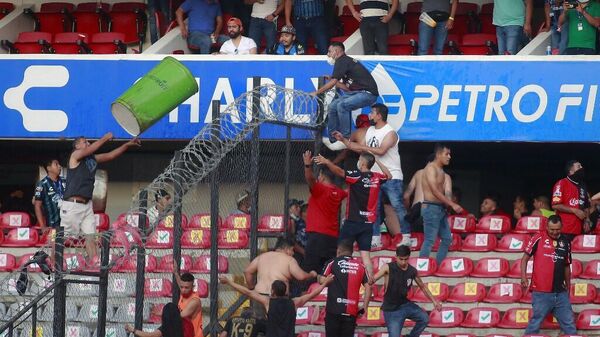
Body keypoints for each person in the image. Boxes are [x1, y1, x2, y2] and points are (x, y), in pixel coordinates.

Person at [333, 104, 409, 248]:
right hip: (375, 176)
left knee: (397, 205)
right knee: (374, 208)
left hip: (392, 175)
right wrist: (344, 140)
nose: (370, 115)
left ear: (379, 115)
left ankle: (406, 236)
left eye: (372, 112)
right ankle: (375, 237)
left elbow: (381, 151)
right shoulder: (370, 131)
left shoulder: (390, 132)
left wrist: (363, 147)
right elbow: (358, 147)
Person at [62, 133, 140, 263]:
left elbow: (111, 155)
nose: (88, 143)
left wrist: (126, 145)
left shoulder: (91, 159)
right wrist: (105, 138)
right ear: (77, 146)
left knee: (90, 237)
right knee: (63, 237)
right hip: (73, 204)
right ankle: (51, 261)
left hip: (87, 205)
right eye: (84, 142)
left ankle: (94, 264)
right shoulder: (75, 156)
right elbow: (90, 149)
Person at [314, 152, 392, 278]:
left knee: (340, 251)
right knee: (366, 256)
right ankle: (369, 285)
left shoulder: (356, 176)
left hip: (352, 221)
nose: (358, 162)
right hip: (368, 224)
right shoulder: (376, 177)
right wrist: (376, 160)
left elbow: (339, 172)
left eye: (359, 159)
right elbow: (389, 175)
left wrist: (327, 162)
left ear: (362, 163)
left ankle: (335, 280)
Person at [310, 42, 379, 151]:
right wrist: (334, 80)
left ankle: (345, 139)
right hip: (356, 92)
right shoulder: (345, 62)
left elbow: (333, 82)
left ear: (336, 52)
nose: (328, 55)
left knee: (342, 105)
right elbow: (347, 88)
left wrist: (317, 92)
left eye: (329, 51)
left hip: (368, 94)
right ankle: (333, 139)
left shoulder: (342, 60)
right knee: (333, 106)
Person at [220, 275, 334, 337]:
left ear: (273, 291)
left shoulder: (268, 302)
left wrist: (229, 282)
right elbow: (313, 294)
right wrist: (325, 283)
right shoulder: (294, 302)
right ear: (285, 292)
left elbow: (247, 292)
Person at [521, 215, 576, 334]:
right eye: (552, 229)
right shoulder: (538, 237)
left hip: (560, 292)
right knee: (535, 322)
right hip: (541, 292)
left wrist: (568, 286)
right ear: (546, 226)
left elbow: (567, 265)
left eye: (557, 229)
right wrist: (523, 278)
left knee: (569, 324)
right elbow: (524, 259)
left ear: (562, 227)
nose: (555, 232)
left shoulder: (566, 241)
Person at [370, 245, 442, 337]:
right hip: (391, 309)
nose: (403, 262)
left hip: (405, 305)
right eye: (401, 259)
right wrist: (370, 280)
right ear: (396, 257)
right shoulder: (387, 267)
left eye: (406, 259)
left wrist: (434, 301)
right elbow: (374, 279)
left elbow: (423, 286)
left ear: (409, 257)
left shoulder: (412, 271)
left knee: (425, 319)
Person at [243, 236, 318, 317]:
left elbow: (247, 271)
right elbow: (301, 276)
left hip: (259, 296)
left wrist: (251, 287)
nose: (293, 253)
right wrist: (312, 274)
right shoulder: (289, 260)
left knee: (260, 326)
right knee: (278, 326)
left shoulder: (262, 256)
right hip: (278, 299)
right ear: (286, 249)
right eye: (292, 250)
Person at [301, 150, 348, 276]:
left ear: (321, 176)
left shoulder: (320, 189)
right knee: (327, 272)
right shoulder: (339, 192)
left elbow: (310, 179)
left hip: (317, 237)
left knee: (310, 272)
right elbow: (350, 190)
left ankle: (308, 294)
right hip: (332, 238)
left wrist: (307, 165)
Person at [419, 143, 463, 265]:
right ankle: (422, 269)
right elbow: (434, 190)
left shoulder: (441, 171)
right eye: (446, 154)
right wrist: (452, 204)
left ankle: (437, 266)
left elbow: (446, 192)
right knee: (429, 240)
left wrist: (448, 205)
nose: (449, 157)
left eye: (450, 154)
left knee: (447, 239)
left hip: (440, 208)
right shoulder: (430, 168)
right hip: (431, 207)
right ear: (438, 154)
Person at [320, 240, 371, 337]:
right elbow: (369, 287)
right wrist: (364, 307)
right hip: (351, 313)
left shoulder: (332, 263)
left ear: (338, 251)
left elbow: (323, 280)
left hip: (333, 311)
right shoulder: (361, 266)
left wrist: (317, 277)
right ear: (351, 252)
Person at [552, 160, 591, 240]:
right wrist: (575, 211)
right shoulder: (561, 183)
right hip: (564, 230)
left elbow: (586, 206)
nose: (582, 168)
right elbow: (555, 205)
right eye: (579, 166)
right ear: (571, 171)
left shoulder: (583, 185)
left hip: (580, 230)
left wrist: (587, 220)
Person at [125, 303, 194, 337]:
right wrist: (160, 314)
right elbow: (175, 315)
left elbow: (150, 336)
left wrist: (133, 330)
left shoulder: (166, 327)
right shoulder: (187, 321)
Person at [34, 159, 65, 231]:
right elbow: (37, 206)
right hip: (53, 224)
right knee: (57, 241)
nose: (59, 166)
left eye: (59, 164)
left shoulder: (65, 181)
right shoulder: (42, 184)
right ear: (49, 168)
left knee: (71, 242)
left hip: (68, 222)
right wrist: (42, 226)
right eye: (56, 164)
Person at [174, 265, 204, 337]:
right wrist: (175, 272)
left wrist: (163, 313)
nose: (183, 290)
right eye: (181, 287)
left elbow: (180, 315)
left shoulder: (194, 301)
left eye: (186, 288)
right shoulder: (184, 293)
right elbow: (180, 282)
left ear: (193, 287)